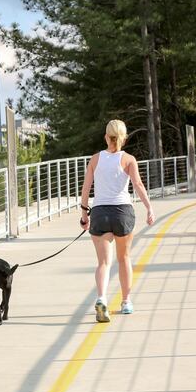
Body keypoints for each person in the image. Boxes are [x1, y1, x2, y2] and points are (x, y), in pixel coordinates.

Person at [79, 120, 154, 323]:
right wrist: (149, 208)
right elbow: (137, 184)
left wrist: (85, 214)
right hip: (122, 212)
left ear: (106, 136)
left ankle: (101, 298)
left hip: (100, 212)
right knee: (124, 259)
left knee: (103, 262)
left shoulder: (95, 159)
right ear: (124, 137)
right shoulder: (129, 159)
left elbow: (86, 188)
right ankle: (126, 301)